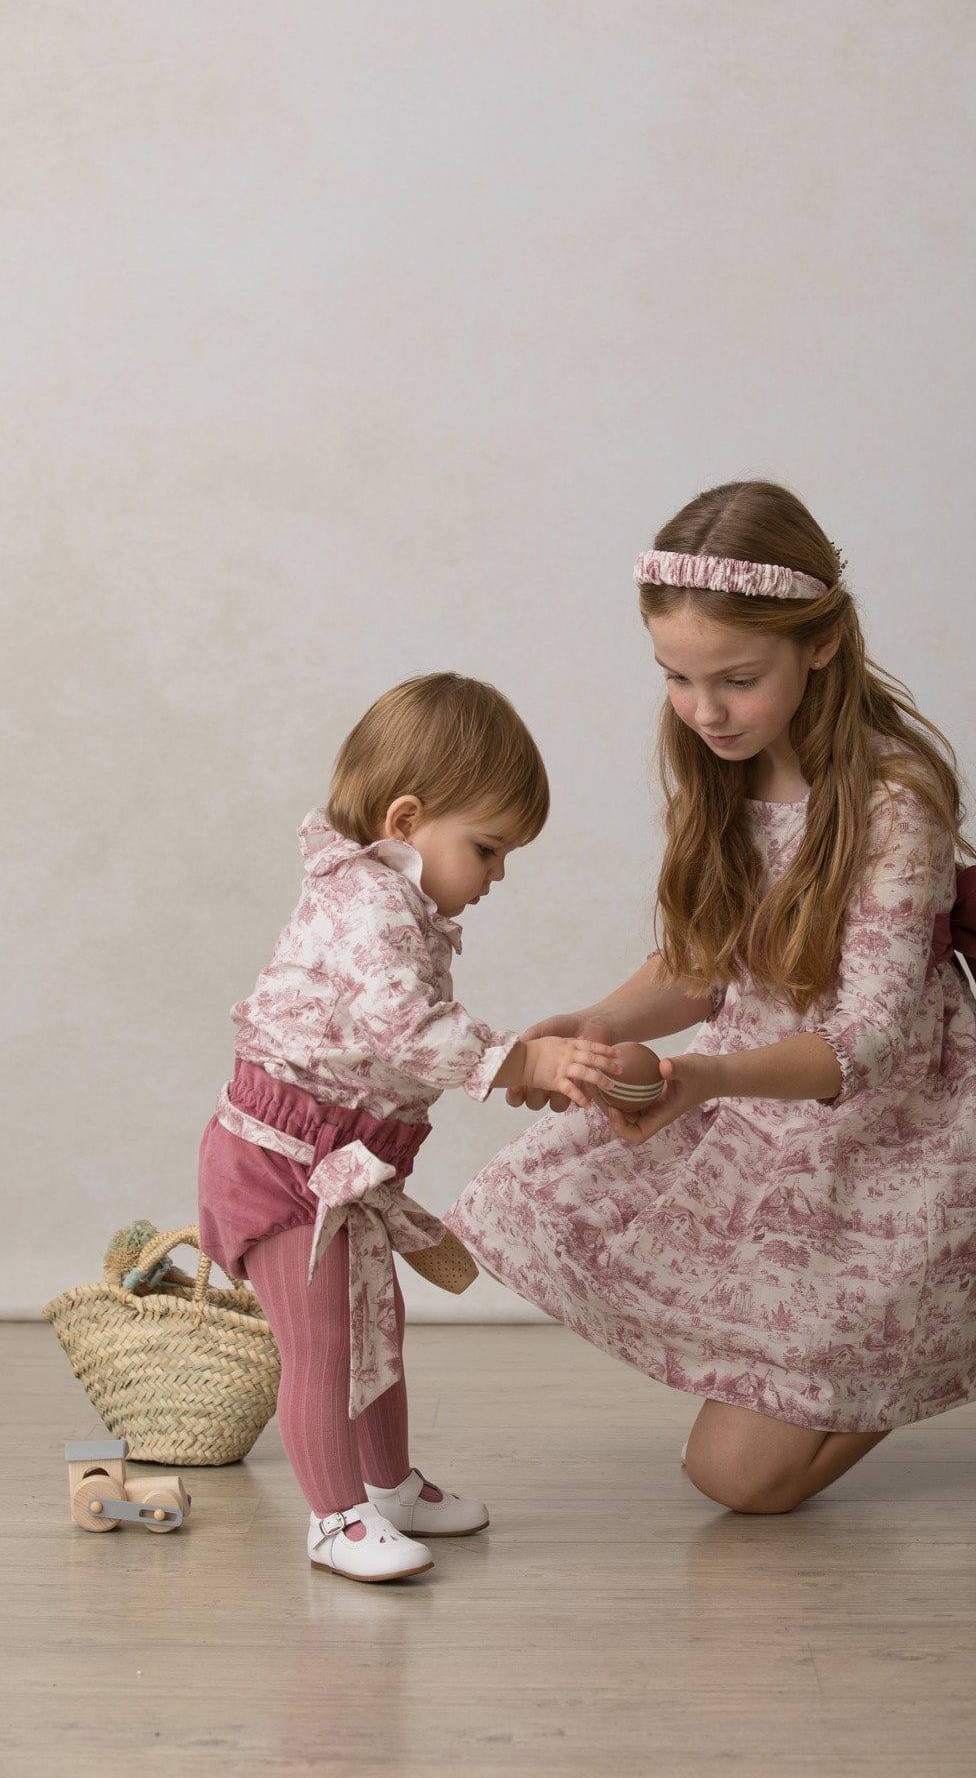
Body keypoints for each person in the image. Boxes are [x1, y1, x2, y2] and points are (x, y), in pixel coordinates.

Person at [447, 481, 976, 1515]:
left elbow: (869, 1040)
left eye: (737, 680)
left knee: (739, 1481)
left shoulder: (895, 802)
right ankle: (963, 1336)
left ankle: (967, 1329)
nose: (706, 711)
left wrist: (704, 1078)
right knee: (553, 1202)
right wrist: (601, 1022)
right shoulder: (723, 775)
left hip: (896, 1135)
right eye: (677, 679)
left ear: (822, 643)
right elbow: (707, 964)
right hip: (759, 1106)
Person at [198, 674, 620, 1580]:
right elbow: (402, 1026)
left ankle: (387, 1486)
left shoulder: (394, 902)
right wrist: (517, 1060)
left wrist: (505, 1064)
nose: (498, 875)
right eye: (488, 848)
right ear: (405, 820)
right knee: (319, 1345)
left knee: (371, 1327)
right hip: (282, 1164)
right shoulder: (369, 907)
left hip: (339, 1162)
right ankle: (334, 1519)